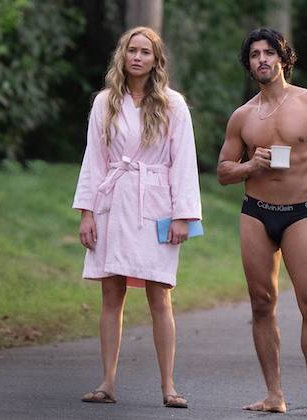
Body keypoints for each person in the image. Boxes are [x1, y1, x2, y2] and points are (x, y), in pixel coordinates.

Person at [216, 28, 307, 418]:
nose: (262, 59)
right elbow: (223, 171)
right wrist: (249, 166)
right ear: (249, 64)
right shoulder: (242, 116)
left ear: (283, 58)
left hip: (299, 214)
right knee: (261, 304)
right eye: (255, 54)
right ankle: (274, 395)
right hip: (256, 213)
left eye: (269, 52)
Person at [72, 26, 201, 409]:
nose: (138, 57)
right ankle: (107, 382)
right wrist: (87, 213)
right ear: (123, 55)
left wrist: (183, 216)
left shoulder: (173, 104)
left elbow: (184, 163)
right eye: (132, 50)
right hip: (113, 202)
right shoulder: (105, 102)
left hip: (156, 205)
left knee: (160, 294)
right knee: (111, 293)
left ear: (156, 59)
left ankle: (169, 386)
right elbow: (93, 161)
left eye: (146, 51)